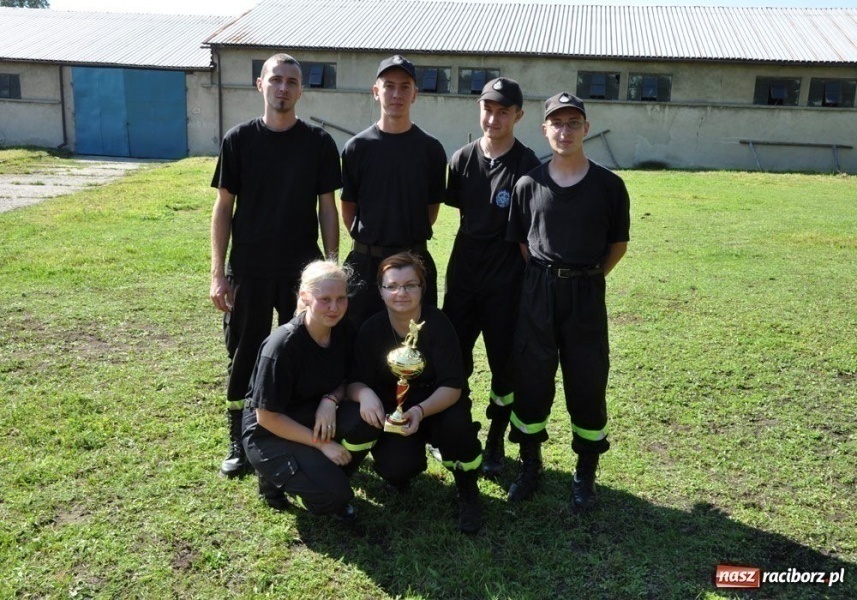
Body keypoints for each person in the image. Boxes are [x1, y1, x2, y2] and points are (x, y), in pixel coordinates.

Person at [210, 53, 342, 478]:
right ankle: (239, 436)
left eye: (291, 81)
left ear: (301, 90)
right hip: (249, 268)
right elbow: (223, 207)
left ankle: (294, 432)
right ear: (260, 85)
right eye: (275, 79)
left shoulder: (318, 143)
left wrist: (331, 267)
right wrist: (218, 273)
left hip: (301, 272)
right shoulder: (238, 139)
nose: (283, 88)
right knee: (244, 352)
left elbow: (327, 207)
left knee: (299, 351)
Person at [505, 92, 630, 513]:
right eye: (557, 123)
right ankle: (530, 465)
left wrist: (585, 278)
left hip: (585, 293)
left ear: (585, 129)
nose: (565, 131)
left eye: (573, 123)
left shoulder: (609, 186)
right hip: (538, 292)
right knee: (531, 378)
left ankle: (585, 475)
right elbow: (524, 244)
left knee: (588, 380)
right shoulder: (528, 184)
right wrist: (549, 277)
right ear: (545, 130)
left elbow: (617, 245)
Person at [442, 77, 540, 478]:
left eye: (503, 112)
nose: (493, 118)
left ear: (519, 115)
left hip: (506, 283)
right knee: (454, 360)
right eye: (488, 109)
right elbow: (460, 213)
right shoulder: (462, 159)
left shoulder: (528, 164)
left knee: (505, 367)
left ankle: (496, 437)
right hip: (463, 277)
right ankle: (459, 431)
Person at [347, 252, 484, 533]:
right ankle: (401, 470)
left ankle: (467, 485)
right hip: (394, 410)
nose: (401, 293)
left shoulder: (440, 324)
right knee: (396, 468)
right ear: (380, 291)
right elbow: (354, 381)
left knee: (457, 426)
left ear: (423, 288)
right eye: (392, 286)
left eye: (410, 285)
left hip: (436, 405)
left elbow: (453, 386)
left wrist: (420, 412)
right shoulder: (371, 328)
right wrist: (365, 394)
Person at [242, 260, 378, 521]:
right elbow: (267, 417)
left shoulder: (343, 329)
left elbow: (348, 378)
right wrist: (323, 444)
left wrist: (331, 399)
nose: (334, 307)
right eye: (325, 299)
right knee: (335, 497)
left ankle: (327, 475)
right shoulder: (282, 346)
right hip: (270, 432)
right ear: (305, 297)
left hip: (313, 413)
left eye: (341, 298)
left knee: (367, 419)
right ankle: (274, 480)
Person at [340, 55, 447, 328]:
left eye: (404, 86)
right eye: (389, 86)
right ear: (376, 92)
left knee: (414, 341)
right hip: (366, 265)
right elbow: (348, 209)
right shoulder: (357, 148)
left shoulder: (431, 149)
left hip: (414, 263)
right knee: (359, 339)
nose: (396, 94)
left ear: (415, 94)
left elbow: (431, 210)